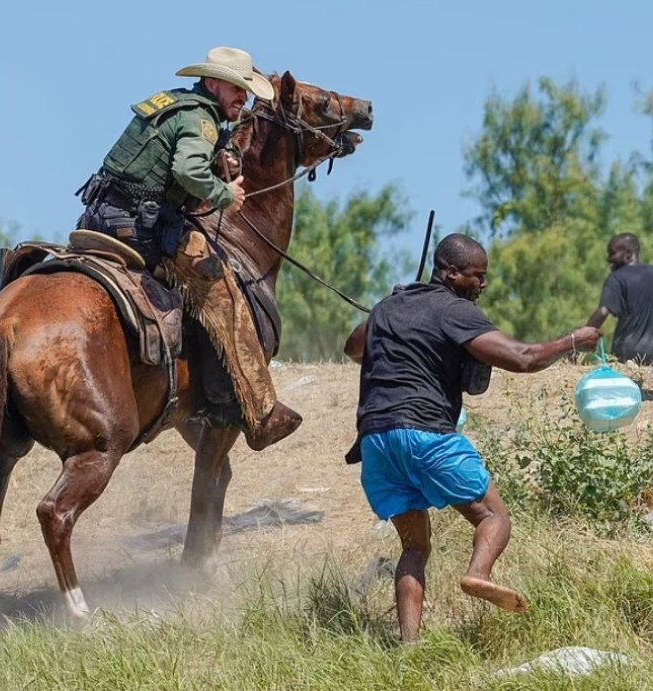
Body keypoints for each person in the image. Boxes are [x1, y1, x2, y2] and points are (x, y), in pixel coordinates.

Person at [345, 233, 600, 642]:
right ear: (450, 273)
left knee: (413, 549)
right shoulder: (454, 310)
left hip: (376, 442)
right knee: (493, 516)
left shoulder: (390, 305)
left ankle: (409, 648)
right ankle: (478, 574)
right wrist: (572, 341)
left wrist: (392, 312)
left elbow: (353, 346)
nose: (482, 285)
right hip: (426, 432)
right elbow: (522, 358)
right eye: (477, 276)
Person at [75, 47, 301, 451]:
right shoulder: (202, 120)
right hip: (141, 228)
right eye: (237, 89)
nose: (243, 98)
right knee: (225, 291)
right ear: (213, 83)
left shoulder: (175, 105)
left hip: (99, 218)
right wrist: (224, 193)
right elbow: (186, 169)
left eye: (246, 92)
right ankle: (261, 411)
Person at [586, 233, 653, 364]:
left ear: (628, 254)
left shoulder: (616, 278)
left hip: (628, 352)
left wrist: (579, 339)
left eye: (612, 253)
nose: (608, 259)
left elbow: (603, 312)